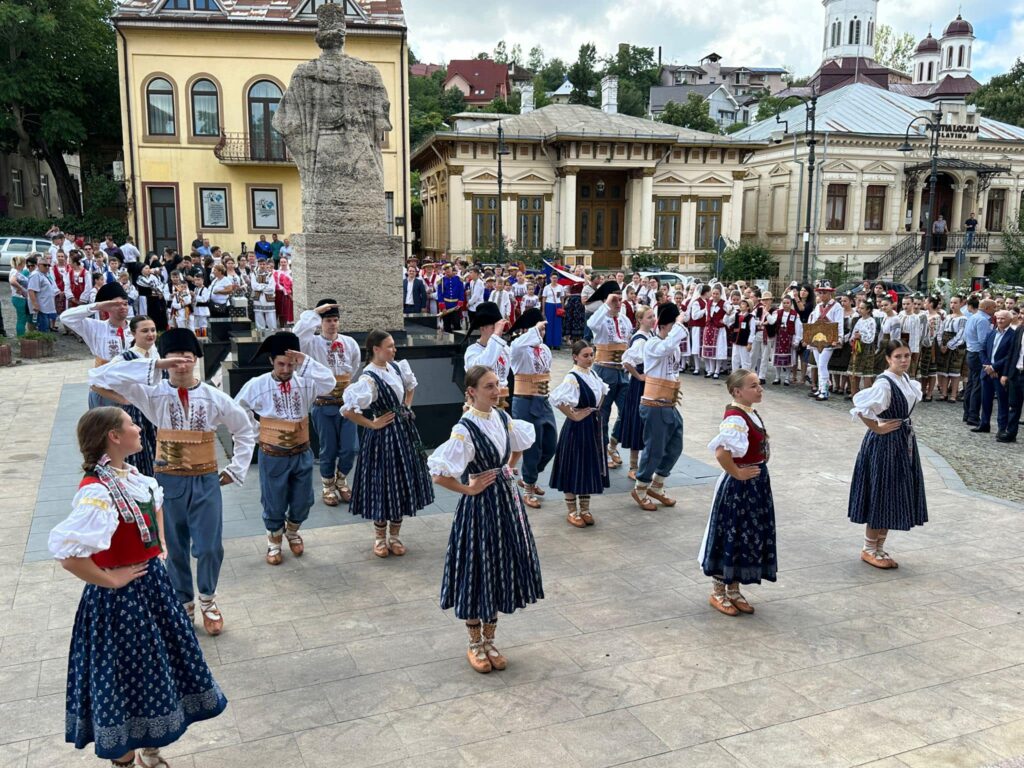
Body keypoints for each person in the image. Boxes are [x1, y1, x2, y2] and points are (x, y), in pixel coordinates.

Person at [48, 407, 226, 766]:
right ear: (114, 436)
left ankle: (152, 749)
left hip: (152, 590)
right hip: (119, 601)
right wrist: (111, 578)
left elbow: (154, 506)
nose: (139, 428)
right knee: (126, 675)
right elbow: (68, 555)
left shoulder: (132, 477)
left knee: (156, 669)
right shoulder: (96, 492)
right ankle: (126, 759)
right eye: (131, 424)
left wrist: (158, 544)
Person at [90, 329, 258, 635]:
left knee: (209, 546)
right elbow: (101, 377)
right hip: (168, 479)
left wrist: (235, 469)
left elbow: (245, 430)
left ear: (196, 360)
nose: (182, 364)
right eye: (175, 359)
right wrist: (155, 366)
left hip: (206, 478)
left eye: (188, 358)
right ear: (166, 361)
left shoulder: (213, 397)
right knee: (174, 546)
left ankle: (208, 598)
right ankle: (184, 602)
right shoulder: (153, 394)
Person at [430, 366, 543, 674]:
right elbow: (439, 474)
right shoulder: (464, 428)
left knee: (501, 564)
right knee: (477, 567)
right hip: (479, 508)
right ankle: (474, 642)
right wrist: (468, 487)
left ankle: (491, 640)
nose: (496, 391)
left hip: (505, 504)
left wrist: (507, 469)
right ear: (472, 392)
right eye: (489, 386)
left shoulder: (503, 418)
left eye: (497, 385)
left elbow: (518, 447)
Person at [237, 332, 335, 565]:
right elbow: (237, 409)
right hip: (273, 454)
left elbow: (329, 383)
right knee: (273, 500)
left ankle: (292, 531)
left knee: (304, 500)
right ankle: (274, 541)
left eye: (290, 364)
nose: (285, 369)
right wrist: (256, 432)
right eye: (281, 363)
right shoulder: (257, 385)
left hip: (301, 451)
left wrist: (306, 362)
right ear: (271, 361)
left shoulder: (305, 382)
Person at [342, 330, 435, 557]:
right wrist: (372, 424)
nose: (394, 350)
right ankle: (379, 538)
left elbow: (410, 387)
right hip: (382, 438)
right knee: (383, 483)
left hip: (403, 433)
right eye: (390, 346)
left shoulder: (395, 367)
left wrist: (405, 408)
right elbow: (347, 411)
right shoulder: (369, 378)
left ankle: (394, 536)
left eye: (394, 346)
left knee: (402, 481)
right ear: (376, 349)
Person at [699, 369, 776, 616]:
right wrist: (738, 473)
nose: (759, 388)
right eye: (753, 386)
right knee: (731, 531)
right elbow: (721, 453)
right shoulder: (735, 418)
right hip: (739, 486)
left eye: (758, 384)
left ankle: (733, 589)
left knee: (746, 534)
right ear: (737, 391)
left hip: (755, 483)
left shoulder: (748, 413)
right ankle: (718, 592)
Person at [848, 341, 928, 569]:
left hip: (902, 441)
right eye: (898, 356)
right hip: (884, 444)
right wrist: (877, 428)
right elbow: (861, 407)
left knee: (895, 492)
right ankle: (868, 548)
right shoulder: (884, 384)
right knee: (882, 492)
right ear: (888, 358)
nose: (904, 360)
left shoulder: (904, 380)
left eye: (906, 356)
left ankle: (879, 547)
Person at [294, 299, 362, 505]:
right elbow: (296, 336)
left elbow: (355, 366)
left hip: (346, 404)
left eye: (335, 320)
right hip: (323, 404)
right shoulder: (311, 343)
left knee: (351, 447)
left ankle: (342, 480)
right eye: (328, 320)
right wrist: (314, 313)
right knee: (329, 448)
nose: (332, 324)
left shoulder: (349, 343)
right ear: (320, 323)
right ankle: (327, 485)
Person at [548, 340, 610, 528]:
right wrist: (574, 416)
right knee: (574, 465)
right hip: (577, 429)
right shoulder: (572, 377)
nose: (590, 358)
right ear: (575, 356)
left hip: (591, 426)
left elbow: (604, 390)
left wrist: (594, 409)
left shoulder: (591, 373)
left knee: (588, 465)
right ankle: (572, 511)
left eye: (591, 354)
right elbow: (556, 398)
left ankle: (584, 509)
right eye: (585, 355)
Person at [631, 302, 686, 511]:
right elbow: (666, 347)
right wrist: (679, 326)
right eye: (674, 324)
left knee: (675, 445)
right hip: (654, 404)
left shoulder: (670, 345)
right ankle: (640, 486)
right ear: (665, 325)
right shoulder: (652, 344)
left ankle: (657, 484)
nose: (678, 329)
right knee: (654, 448)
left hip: (668, 402)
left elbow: (673, 365)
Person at [509, 308, 555, 509]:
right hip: (525, 400)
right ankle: (529, 488)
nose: (542, 333)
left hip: (542, 399)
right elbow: (519, 343)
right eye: (539, 329)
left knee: (551, 444)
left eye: (544, 329)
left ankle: (530, 477)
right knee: (532, 447)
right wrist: (534, 330)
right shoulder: (518, 348)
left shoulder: (544, 349)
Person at [61, 282, 135, 407]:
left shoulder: (136, 328)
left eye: (125, 303)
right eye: (116, 304)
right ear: (107, 307)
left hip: (131, 388)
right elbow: (65, 317)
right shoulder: (96, 327)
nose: (122, 307)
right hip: (105, 388)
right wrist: (97, 306)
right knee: (104, 425)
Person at [619, 305, 655, 480]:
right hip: (640, 385)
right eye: (649, 317)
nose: (653, 319)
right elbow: (626, 361)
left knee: (646, 422)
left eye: (653, 316)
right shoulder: (640, 339)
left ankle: (642, 463)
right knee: (637, 420)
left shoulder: (651, 336)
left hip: (650, 384)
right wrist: (639, 376)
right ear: (640, 320)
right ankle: (633, 466)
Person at [464, 302, 511, 409]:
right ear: (482, 328)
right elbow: (483, 368)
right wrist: (496, 337)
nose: (498, 332)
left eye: (499, 328)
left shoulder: (504, 349)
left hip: (502, 403)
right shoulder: (472, 352)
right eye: (494, 327)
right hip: (480, 406)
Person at [975, 310, 1015, 436]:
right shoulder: (992, 332)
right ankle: (984, 423)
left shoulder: (1013, 335)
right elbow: (982, 350)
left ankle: (1002, 428)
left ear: (1009, 320)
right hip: (987, 372)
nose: (1000, 321)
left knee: (1002, 402)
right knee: (985, 400)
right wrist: (987, 366)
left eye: (1003, 318)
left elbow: (1010, 355)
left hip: (1001, 373)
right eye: (998, 318)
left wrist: (994, 367)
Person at [807, 280, 844, 401]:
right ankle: (820, 388)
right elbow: (813, 322)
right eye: (820, 293)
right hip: (818, 337)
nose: (821, 295)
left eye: (824, 293)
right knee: (819, 364)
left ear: (830, 294)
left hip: (830, 338)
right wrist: (809, 336)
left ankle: (825, 390)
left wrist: (839, 338)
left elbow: (839, 323)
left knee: (823, 364)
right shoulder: (818, 306)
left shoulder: (837, 307)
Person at [964, 298, 996, 426]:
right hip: (977, 354)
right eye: (994, 307)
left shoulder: (973, 316)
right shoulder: (982, 320)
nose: (996, 310)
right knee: (977, 385)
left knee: (971, 384)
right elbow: (983, 341)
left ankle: (967, 413)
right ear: (987, 308)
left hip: (971, 352)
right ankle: (973, 415)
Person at [847, 299, 877, 398]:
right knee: (854, 372)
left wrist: (861, 336)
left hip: (867, 349)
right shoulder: (859, 320)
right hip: (857, 348)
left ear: (868, 310)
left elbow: (871, 337)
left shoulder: (871, 321)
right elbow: (854, 332)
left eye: (862, 308)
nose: (859, 310)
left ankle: (867, 395)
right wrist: (853, 338)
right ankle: (854, 393)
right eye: (859, 307)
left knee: (866, 373)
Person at [1000, 321, 1024, 443]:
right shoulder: (1019, 330)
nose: (1021, 316)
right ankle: (1011, 433)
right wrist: (1005, 374)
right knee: (1014, 405)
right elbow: (1012, 353)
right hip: (1016, 373)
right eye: (1021, 312)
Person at [27, 254, 58, 332]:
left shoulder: (45, 274)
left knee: (46, 327)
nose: (47, 267)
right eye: (45, 265)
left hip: (46, 307)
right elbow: (31, 290)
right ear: (38, 265)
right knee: (43, 328)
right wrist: (35, 304)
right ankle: (41, 343)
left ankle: (44, 342)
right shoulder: (35, 275)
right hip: (41, 307)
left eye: (48, 265)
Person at [438, 263, 466, 334]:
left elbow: (461, 293)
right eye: (445, 269)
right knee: (446, 325)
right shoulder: (441, 281)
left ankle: (458, 341)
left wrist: (459, 304)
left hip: (456, 306)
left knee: (457, 324)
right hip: (446, 307)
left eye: (448, 269)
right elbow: (440, 295)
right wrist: (443, 307)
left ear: (452, 269)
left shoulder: (459, 280)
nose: (447, 270)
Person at [251, 260, 278, 330]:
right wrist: (264, 286)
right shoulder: (254, 274)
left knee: (270, 314)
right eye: (260, 264)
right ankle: (260, 331)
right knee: (258, 314)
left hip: (268, 297)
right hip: (257, 297)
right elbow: (254, 286)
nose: (262, 266)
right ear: (258, 265)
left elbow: (272, 288)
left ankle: (272, 331)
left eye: (263, 264)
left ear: (266, 265)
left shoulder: (270, 274)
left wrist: (260, 287)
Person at [8, 255, 31, 336]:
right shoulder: (15, 271)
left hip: (19, 298)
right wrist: (21, 288)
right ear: (21, 263)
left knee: (22, 318)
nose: (25, 265)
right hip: (19, 298)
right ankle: (21, 337)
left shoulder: (15, 271)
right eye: (24, 263)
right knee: (22, 319)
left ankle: (21, 337)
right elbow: (12, 281)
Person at [541, 273, 564, 350]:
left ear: (558, 279)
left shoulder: (560, 287)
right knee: (549, 324)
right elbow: (544, 299)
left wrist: (563, 308)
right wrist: (543, 310)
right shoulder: (546, 287)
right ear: (550, 278)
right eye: (553, 278)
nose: (554, 279)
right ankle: (549, 343)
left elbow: (562, 298)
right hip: (549, 305)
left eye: (556, 278)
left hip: (558, 306)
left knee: (558, 325)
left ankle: (557, 344)